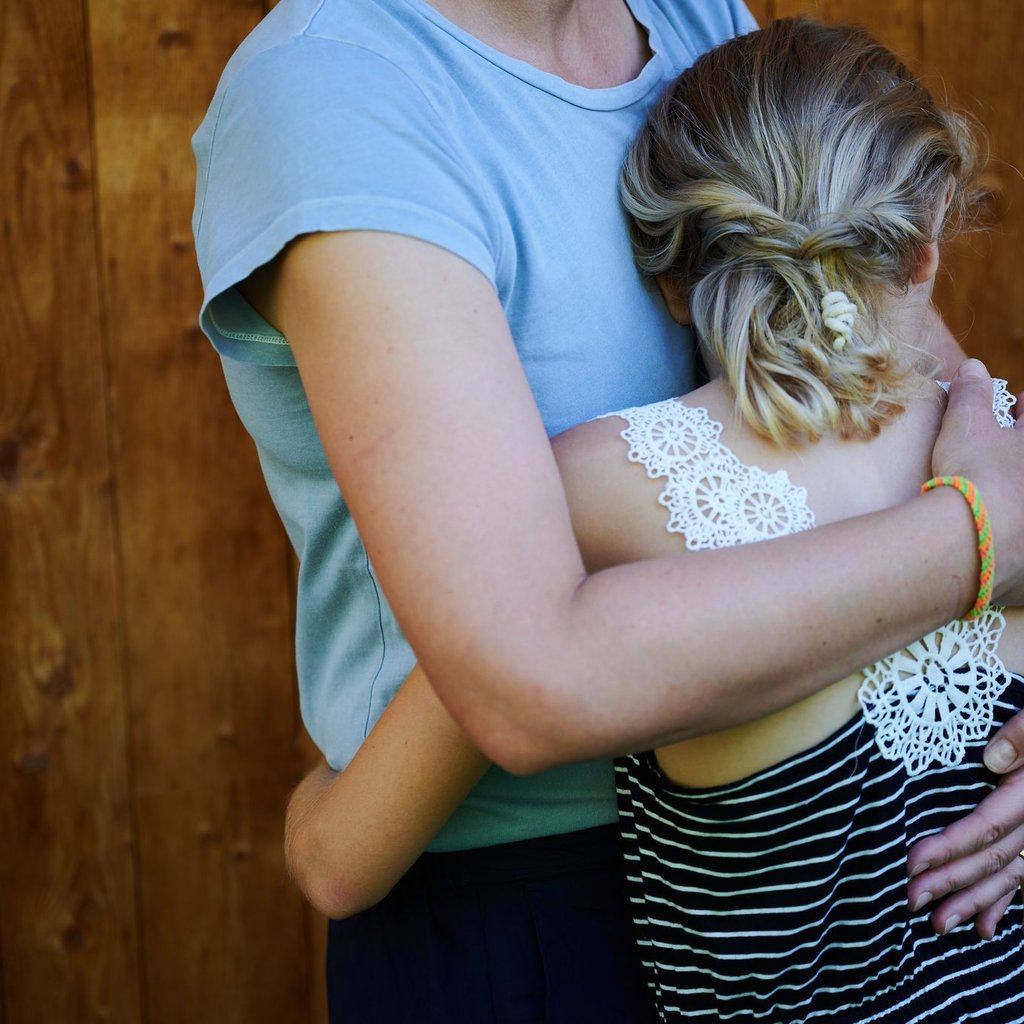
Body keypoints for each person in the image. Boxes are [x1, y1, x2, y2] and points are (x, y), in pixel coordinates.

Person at [192, 1, 1024, 1019]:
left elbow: (896, 360)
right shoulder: (338, 94)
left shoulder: (688, 12)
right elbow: (526, 680)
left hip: (870, 868)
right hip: (530, 912)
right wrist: (983, 541)